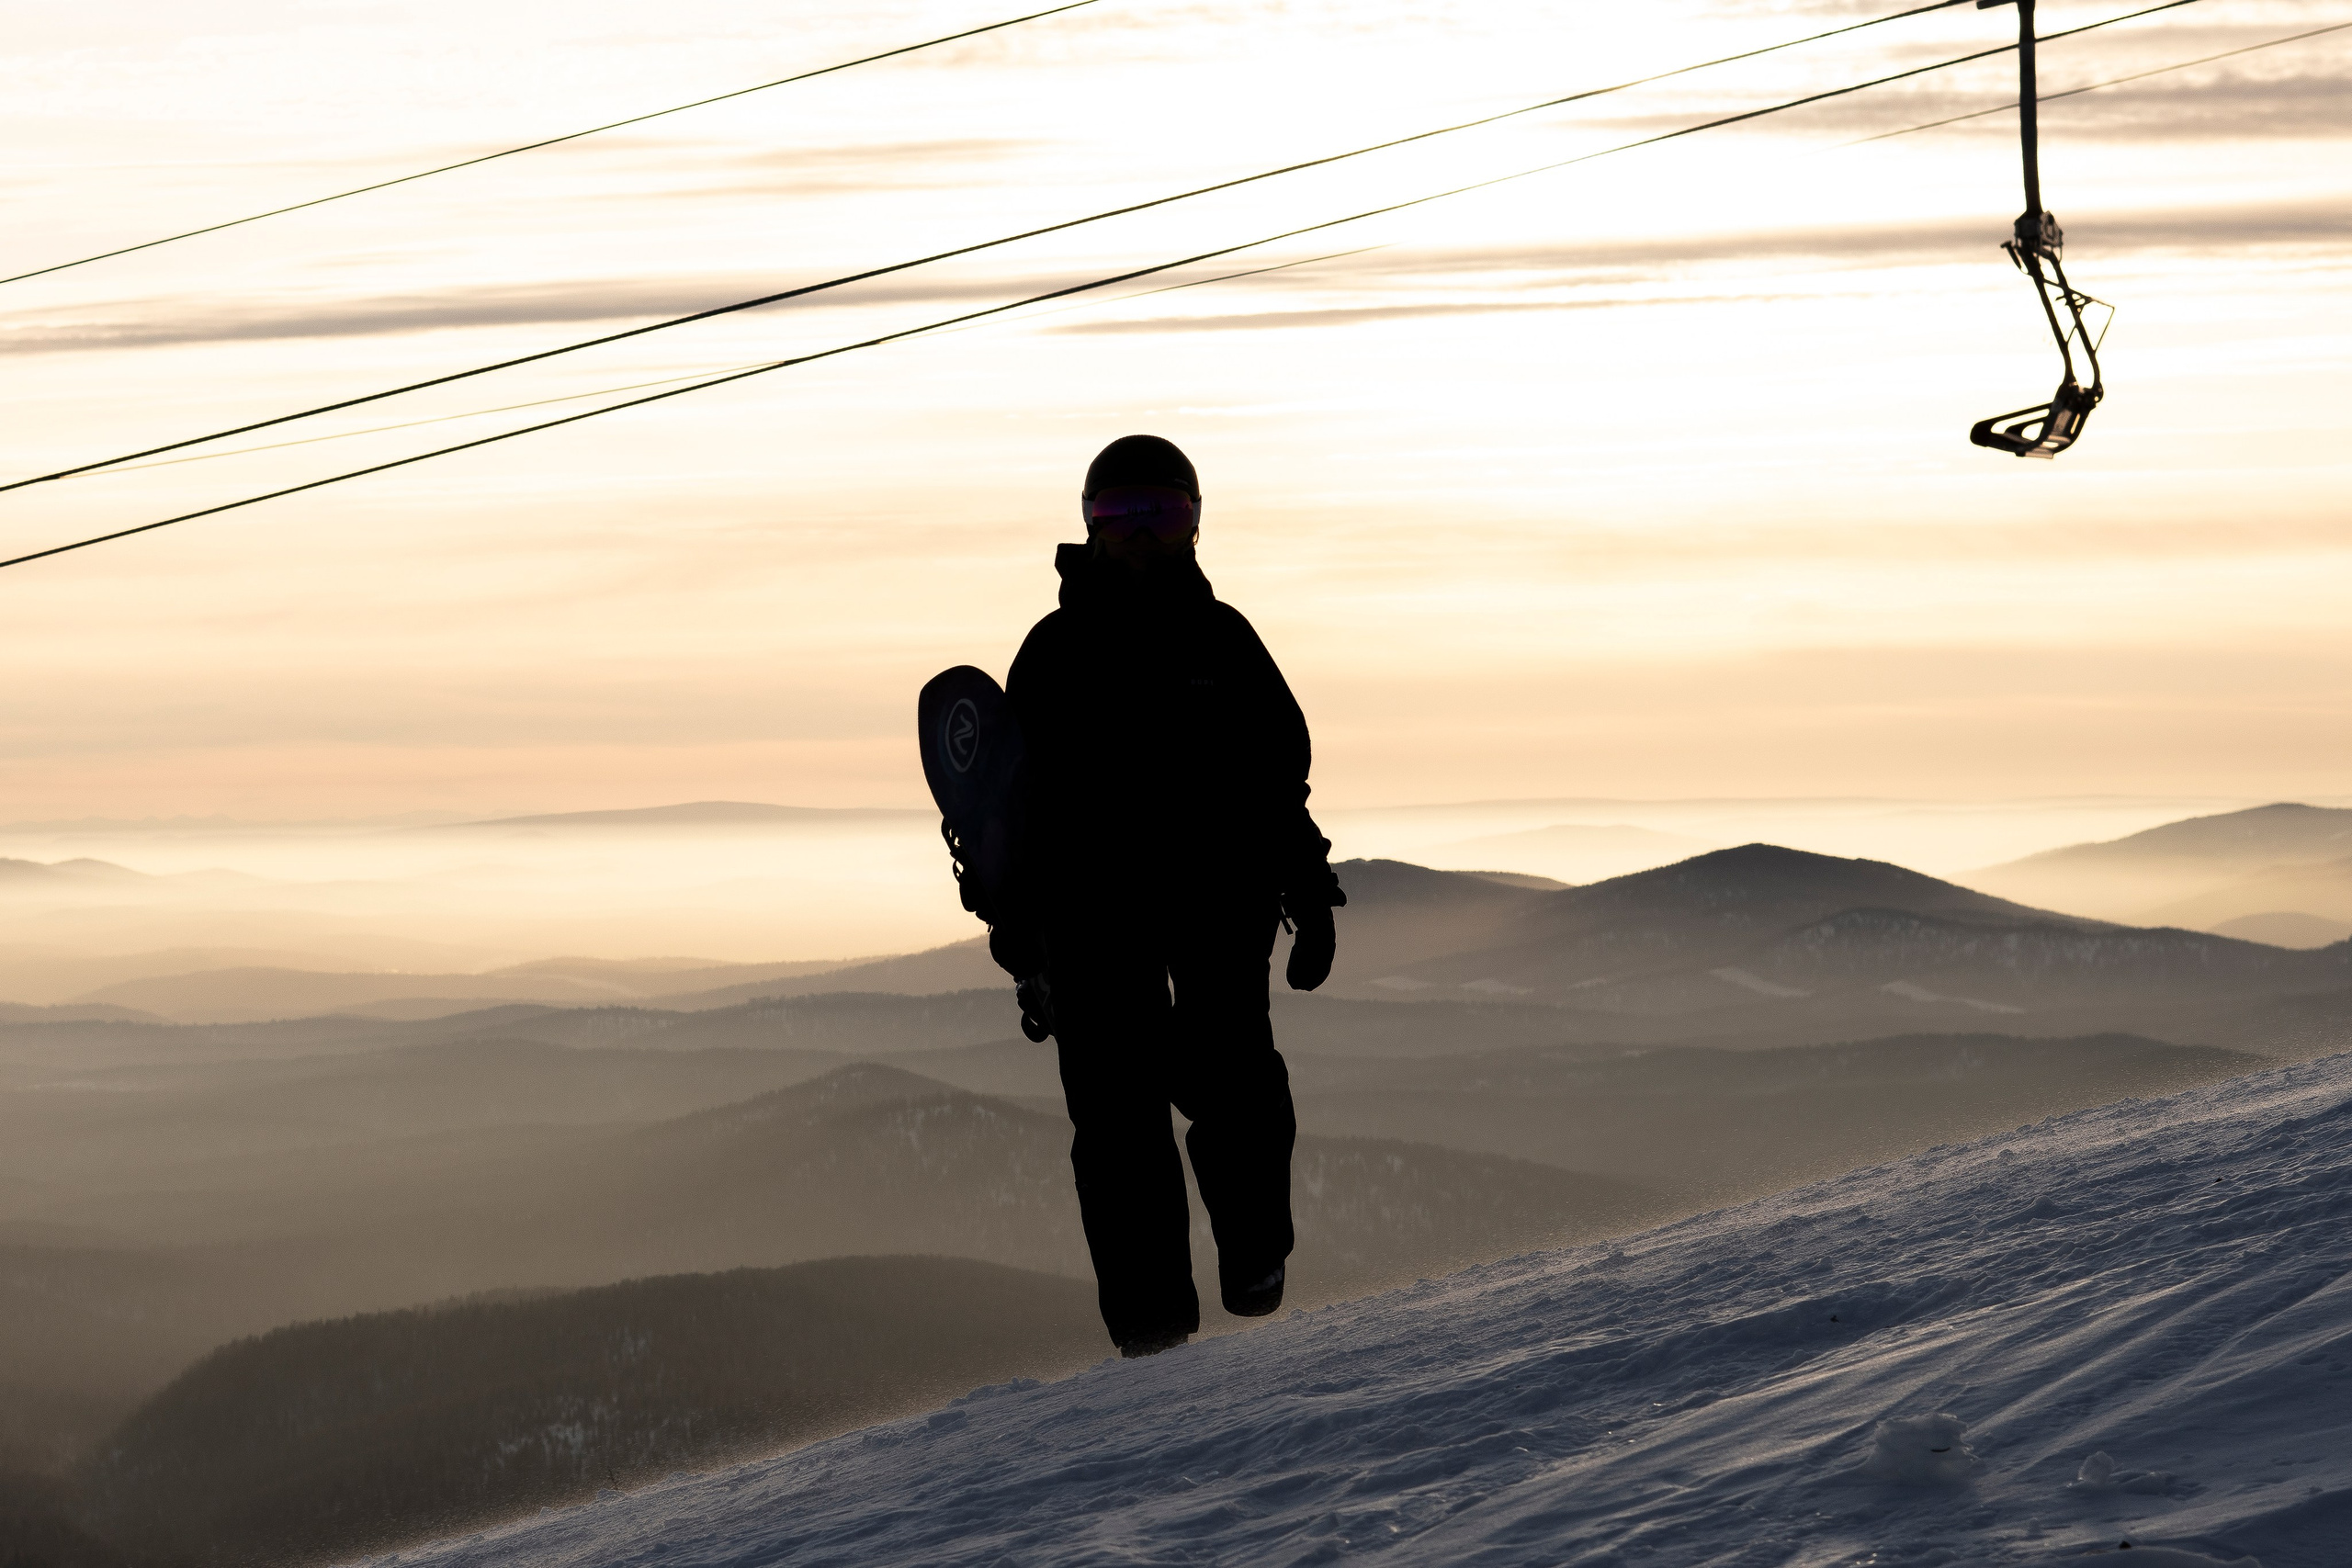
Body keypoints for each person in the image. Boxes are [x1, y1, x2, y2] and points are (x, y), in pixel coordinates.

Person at [997, 434, 1345, 1359]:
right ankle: (1153, 1334)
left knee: (1236, 1080)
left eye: (1164, 514)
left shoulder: (1224, 642)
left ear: (1193, 527)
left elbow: (1279, 779)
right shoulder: (1053, 654)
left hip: (1217, 899)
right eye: (1121, 516)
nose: (1142, 535)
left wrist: (1308, 891)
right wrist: (1019, 940)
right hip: (1090, 916)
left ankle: (1254, 1255)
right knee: (1115, 1122)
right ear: (1090, 529)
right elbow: (1005, 811)